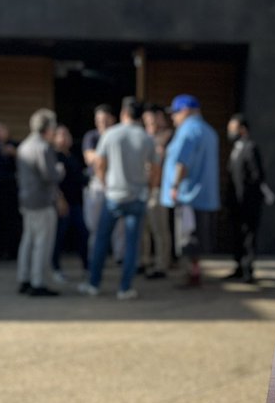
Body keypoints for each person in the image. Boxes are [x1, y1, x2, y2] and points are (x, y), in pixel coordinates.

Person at [79, 97, 154, 300]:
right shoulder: (147, 138)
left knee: (101, 240)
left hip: (113, 196)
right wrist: (149, 188)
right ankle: (125, 288)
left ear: (123, 113)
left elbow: (99, 163)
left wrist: (105, 184)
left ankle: (94, 284)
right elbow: (155, 169)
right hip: (137, 196)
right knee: (131, 245)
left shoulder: (111, 134)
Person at [161, 94, 220, 288]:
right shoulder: (209, 131)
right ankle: (194, 272)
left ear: (185, 111)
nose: (173, 117)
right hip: (205, 195)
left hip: (188, 196)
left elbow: (181, 163)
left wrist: (174, 186)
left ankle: (192, 275)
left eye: (175, 112)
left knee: (188, 238)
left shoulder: (187, 131)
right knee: (197, 237)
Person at [16, 108, 64, 297]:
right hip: (42, 201)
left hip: (27, 200)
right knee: (42, 243)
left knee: (28, 240)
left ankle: (24, 278)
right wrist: (60, 170)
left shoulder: (24, 145)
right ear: (48, 128)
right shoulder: (43, 147)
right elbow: (50, 176)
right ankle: (38, 282)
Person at [225, 113, 267, 283]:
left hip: (248, 202)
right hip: (236, 203)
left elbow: (256, 175)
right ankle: (238, 267)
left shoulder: (250, 148)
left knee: (248, 236)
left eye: (233, 129)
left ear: (242, 129)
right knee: (237, 235)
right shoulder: (236, 148)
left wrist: (248, 196)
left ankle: (248, 270)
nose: (230, 133)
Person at [51, 124, 89, 279]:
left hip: (76, 203)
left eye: (67, 134)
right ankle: (55, 268)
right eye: (61, 135)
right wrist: (60, 199)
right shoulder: (54, 156)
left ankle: (87, 266)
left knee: (82, 234)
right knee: (58, 237)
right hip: (62, 204)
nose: (65, 138)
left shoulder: (72, 156)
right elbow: (53, 182)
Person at [140, 104, 171, 280]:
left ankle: (161, 264)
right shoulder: (143, 136)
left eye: (151, 119)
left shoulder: (168, 136)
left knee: (160, 229)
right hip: (142, 188)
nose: (148, 122)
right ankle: (144, 261)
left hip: (158, 188)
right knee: (143, 229)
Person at [81, 103, 116, 253]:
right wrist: (110, 157)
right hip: (96, 184)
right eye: (99, 120)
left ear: (113, 119)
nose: (102, 123)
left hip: (115, 182)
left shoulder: (117, 135)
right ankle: (94, 256)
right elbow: (89, 158)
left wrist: (100, 157)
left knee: (119, 225)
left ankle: (119, 258)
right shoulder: (91, 136)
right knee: (94, 224)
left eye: (105, 120)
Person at [0, 120, 21, 261]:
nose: (0, 133)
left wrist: (15, 154)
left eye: (3, 129)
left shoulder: (15, 146)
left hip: (11, 188)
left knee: (12, 221)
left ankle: (12, 251)